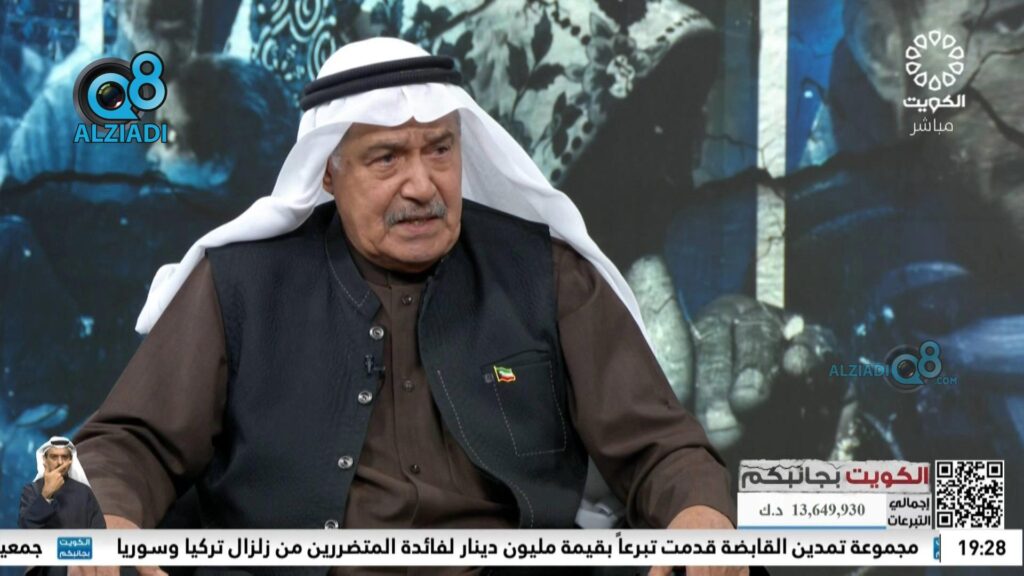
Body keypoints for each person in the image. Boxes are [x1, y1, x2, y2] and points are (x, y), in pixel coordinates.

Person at [74, 38, 744, 576]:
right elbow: (130, 443)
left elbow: (660, 447)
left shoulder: (544, 273)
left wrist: (698, 513)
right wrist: (109, 521)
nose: (422, 185)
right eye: (387, 158)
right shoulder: (242, 284)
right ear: (328, 172)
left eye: (440, 150)